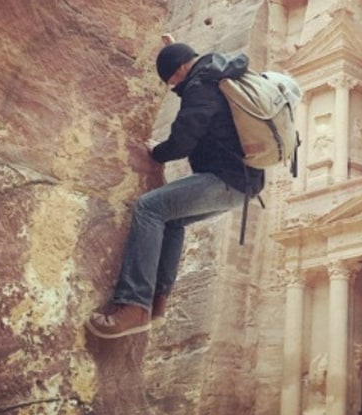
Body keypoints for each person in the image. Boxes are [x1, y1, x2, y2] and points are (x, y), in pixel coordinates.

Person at [85, 42, 264, 339]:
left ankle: (133, 306)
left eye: (172, 81)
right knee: (174, 219)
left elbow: (183, 140)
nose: (173, 88)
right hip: (243, 183)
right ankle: (157, 301)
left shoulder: (200, 85)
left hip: (227, 178)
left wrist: (157, 153)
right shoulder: (217, 73)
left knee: (149, 208)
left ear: (181, 67)